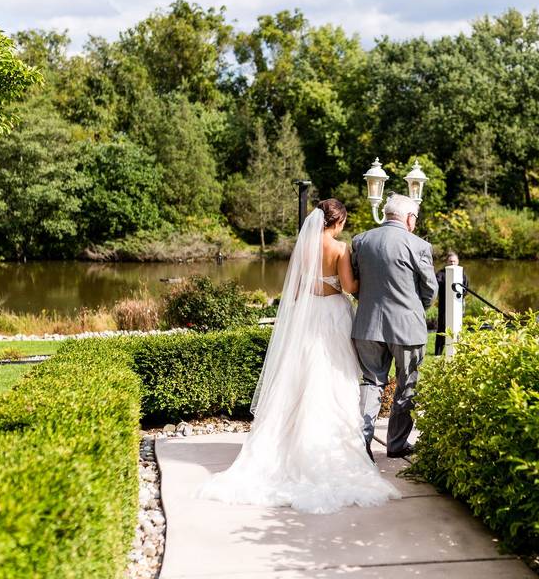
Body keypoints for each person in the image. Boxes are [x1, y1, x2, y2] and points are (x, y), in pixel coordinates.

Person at [198, 199, 399, 514]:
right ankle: (328, 449)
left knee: (301, 377)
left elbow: (293, 291)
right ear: (338, 222)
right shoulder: (340, 248)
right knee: (333, 376)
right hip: (332, 316)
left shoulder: (303, 248)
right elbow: (348, 286)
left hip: (306, 317)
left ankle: (288, 445)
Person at [351, 194, 438, 460]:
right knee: (407, 384)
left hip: (368, 326)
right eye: (416, 218)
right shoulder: (419, 245)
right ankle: (396, 444)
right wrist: (412, 309)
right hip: (406, 328)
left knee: (370, 383)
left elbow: (355, 283)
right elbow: (430, 290)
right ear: (409, 218)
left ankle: (362, 445)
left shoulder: (361, 240)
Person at [434, 252, 468, 356]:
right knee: (442, 328)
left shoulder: (462, 274)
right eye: (450, 261)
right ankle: (438, 353)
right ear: (446, 262)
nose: (452, 263)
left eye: (454, 261)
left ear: (458, 262)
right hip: (444, 306)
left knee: (458, 327)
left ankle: (457, 351)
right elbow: (436, 286)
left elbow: (466, 288)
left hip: (458, 304)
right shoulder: (440, 274)